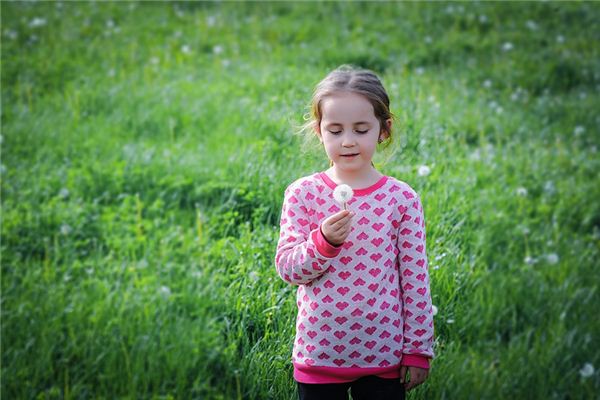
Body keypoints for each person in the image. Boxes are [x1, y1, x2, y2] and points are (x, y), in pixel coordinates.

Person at [274, 65, 435, 400]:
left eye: (361, 129)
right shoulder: (302, 193)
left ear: (383, 130)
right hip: (319, 353)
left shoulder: (401, 199)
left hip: (384, 356)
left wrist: (418, 350)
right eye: (335, 131)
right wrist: (324, 243)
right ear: (319, 132)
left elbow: (415, 279)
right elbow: (288, 269)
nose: (347, 141)